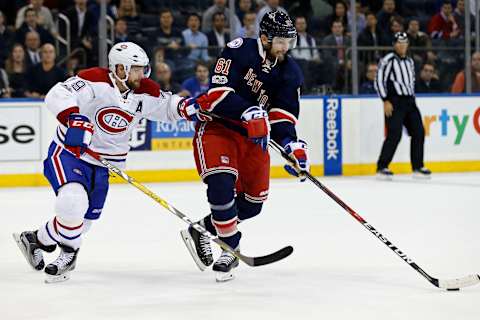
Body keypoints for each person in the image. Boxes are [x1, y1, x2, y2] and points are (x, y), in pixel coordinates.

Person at [13, 41, 198, 283]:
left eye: (143, 68)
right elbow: (58, 94)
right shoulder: (94, 79)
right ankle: (69, 255)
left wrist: (193, 107)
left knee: (83, 223)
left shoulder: (145, 90)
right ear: (120, 69)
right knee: (71, 203)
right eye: (137, 69)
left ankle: (35, 239)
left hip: (104, 164)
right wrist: (74, 118)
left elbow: (169, 107)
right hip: (71, 153)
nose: (142, 74)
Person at [178, 11, 309, 282]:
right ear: (264, 38)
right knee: (222, 183)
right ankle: (231, 247)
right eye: (281, 42)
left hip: (254, 138)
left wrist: (291, 145)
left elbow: (282, 116)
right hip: (220, 127)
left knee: (252, 204)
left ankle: (202, 228)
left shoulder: (290, 71)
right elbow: (216, 93)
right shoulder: (238, 50)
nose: (285, 48)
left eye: (290, 42)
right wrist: (248, 111)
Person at [374, 32, 431, 179]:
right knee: (394, 134)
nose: (402, 45)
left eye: (405, 42)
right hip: (395, 101)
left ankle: (417, 166)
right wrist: (385, 100)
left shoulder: (410, 62)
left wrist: (412, 98)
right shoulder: (388, 60)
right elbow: (379, 81)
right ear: (394, 44)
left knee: (419, 131)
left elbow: (410, 82)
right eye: (399, 42)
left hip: (410, 102)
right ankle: (382, 166)